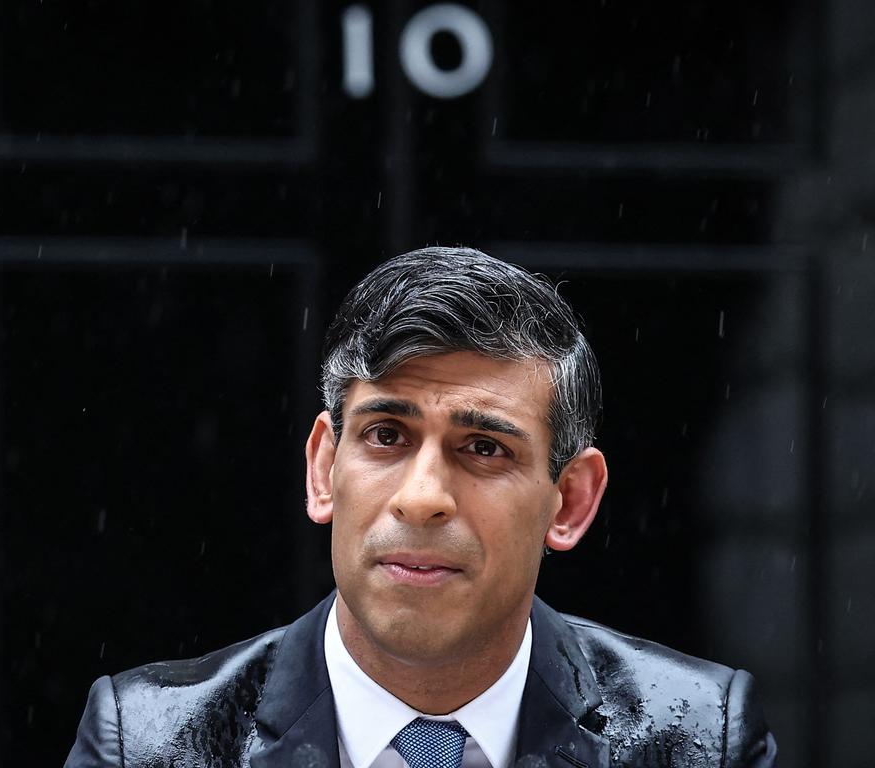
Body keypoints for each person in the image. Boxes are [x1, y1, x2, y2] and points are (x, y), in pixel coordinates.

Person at [63, 247, 777, 768]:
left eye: (485, 449)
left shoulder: (698, 740)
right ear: (323, 469)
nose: (423, 497)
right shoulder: (149, 742)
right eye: (385, 435)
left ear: (571, 501)